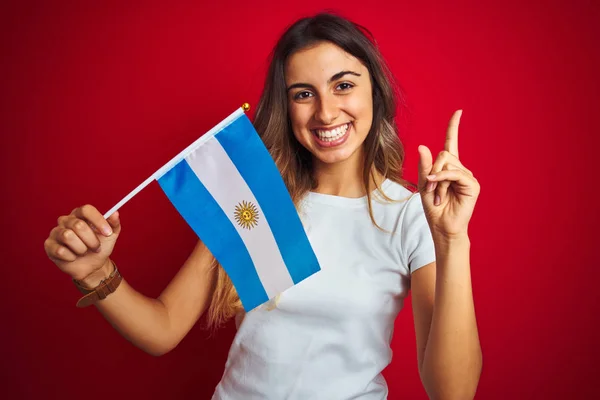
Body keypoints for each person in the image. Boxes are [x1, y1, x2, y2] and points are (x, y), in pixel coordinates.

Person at [44, 12, 482, 400]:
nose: (326, 113)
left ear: (375, 93)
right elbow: (163, 329)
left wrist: (453, 239)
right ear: (286, 106)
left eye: (343, 85)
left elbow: (452, 392)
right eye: (303, 94)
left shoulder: (413, 214)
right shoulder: (253, 198)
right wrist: (95, 273)